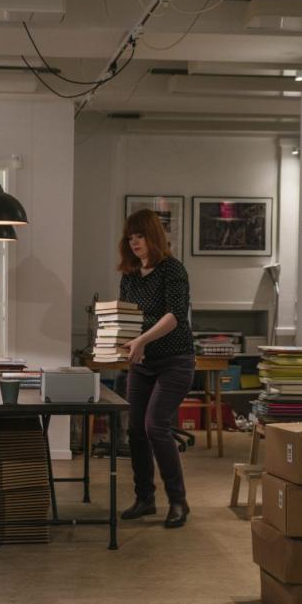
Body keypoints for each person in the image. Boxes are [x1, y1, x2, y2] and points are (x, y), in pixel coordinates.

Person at [117, 209, 195, 528]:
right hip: (142, 364)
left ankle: (178, 501)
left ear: (154, 237)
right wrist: (116, 341)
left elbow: (174, 316)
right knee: (135, 429)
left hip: (175, 361)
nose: (135, 243)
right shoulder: (130, 275)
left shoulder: (172, 269)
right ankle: (145, 499)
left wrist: (142, 339)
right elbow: (125, 316)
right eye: (130, 238)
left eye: (141, 236)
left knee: (155, 427)